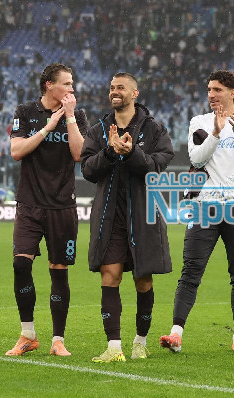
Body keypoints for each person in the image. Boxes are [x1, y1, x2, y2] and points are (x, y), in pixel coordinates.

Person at [159, 70, 234, 354]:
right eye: (209, 90)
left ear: (233, 92)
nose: (211, 95)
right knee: (191, 270)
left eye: (217, 89)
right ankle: (176, 335)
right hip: (204, 206)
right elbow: (196, 157)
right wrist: (216, 132)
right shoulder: (200, 122)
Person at [81, 72, 174, 363]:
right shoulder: (98, 129)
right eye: (111, 87)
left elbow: (156, 166)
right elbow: (87, 169)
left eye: (120, 87)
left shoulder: (154, 129)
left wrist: (132, 152)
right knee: (110, 276)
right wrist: (110, 151)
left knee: (143, 280)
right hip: (109, 215)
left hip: (143, 214)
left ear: (135, 93)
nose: (114, 92)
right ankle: (113, 346)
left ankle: (140, 342)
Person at [6, 63, 88, 357]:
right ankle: (27, 334)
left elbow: (79, 154)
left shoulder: (77, 115)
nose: (71, 89)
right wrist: (47, 128)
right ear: (49, 85)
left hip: (62, 205)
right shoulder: (26, 111)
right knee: (20, 264)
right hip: (29, 203)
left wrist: (68, 118)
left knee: (59, 271)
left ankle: (58, 340)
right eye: (67, 84)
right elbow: (17, 151)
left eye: (72, 84)